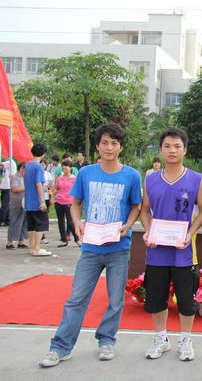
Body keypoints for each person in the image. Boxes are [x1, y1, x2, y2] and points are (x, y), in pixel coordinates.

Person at [39, 123, 142, 368]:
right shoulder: (86, 173)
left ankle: (106, 340)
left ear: (121, 147)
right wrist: (76, 223)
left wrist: (128, 225)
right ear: (97, 146)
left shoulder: (131, 175)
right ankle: (60, 347)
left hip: (118, 248)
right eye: (105, 142)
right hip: (91, 248)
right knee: (76, 298)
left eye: (114, 143)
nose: (109, 147)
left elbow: (136, 206)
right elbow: (75, 203)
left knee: (115, 300)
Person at [141, 127, 202, 362]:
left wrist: (190, 232)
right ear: (161, 150)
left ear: (185, 150)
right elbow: (144, 210)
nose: (172, 150)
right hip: (156, 250)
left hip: (184, 251)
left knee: (186, 299)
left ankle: (185, 339)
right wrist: (148, 230)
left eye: (177, 146)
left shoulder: (196, 179)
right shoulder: (150, 179)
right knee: (156, 298)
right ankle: (161, 338)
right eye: (167, 146)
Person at [25, 143, 51, 256]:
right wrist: (42, 201)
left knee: (31, 225)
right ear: (43, 154)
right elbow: (39, 183)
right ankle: (37, 248)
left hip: (29, 200)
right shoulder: (38, 166)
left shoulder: (28, 165)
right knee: (41, 224)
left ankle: (32, 248)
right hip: (36, 201)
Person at [53, 160, 79, 247]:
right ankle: (63, 240)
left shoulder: (74, 179)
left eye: (66, 166)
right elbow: (56, 189)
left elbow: (77, 190)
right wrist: (52, 195)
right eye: (63, 166)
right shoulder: (59, 178)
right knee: (60, 222)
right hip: (59, 202)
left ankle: (77, 239)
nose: (64, 167)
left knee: (70, 222)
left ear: (70, 168)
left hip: (69, 202)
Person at [6, 163, 27, 249]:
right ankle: (10, 242)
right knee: (14, 222)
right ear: (21, 169)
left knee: (24, 222)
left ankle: (21, 241)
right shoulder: (14, 177)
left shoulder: (26, 178)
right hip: (16, 203)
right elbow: (14, 189)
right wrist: (26, 187)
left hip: (25, 203)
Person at [0, 157, 17, 227]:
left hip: (8, 186)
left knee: (5, 205)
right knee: (7, 205)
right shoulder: (8, 163)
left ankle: (1, 220)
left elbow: (0, 165)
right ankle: (8, 220)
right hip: (5, 186)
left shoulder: (10, 162)